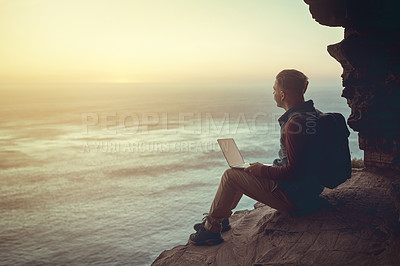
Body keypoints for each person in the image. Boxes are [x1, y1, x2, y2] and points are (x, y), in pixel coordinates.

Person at [189, 69, 324, 246]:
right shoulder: (314, 114)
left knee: (231, 175)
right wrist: (261, 169)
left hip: (295, 197)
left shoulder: (294, 123)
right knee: (241, 170)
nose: (274, 93)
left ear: (282, 94)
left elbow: (295, 171)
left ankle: (211, 230)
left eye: (274, 90)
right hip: (310, 190)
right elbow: (302, 162)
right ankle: (221, 219)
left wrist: (262, 170)